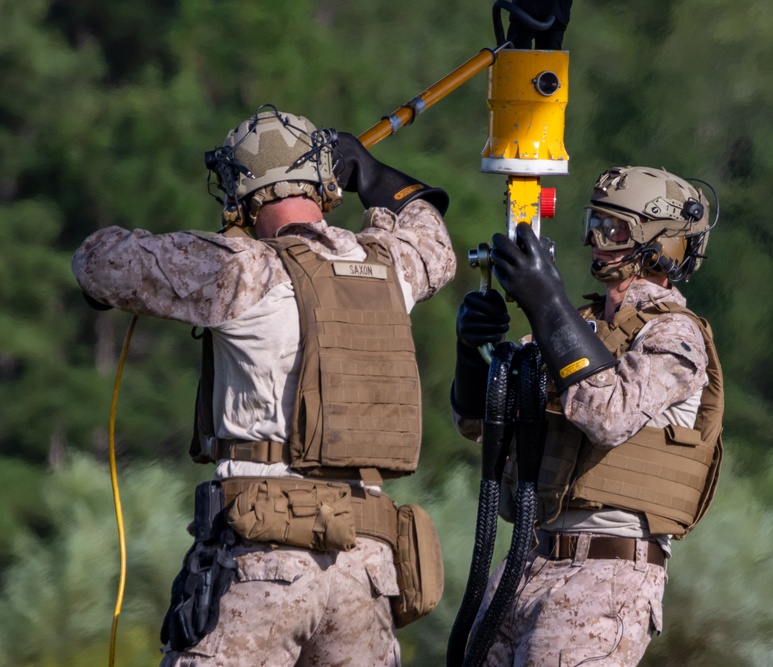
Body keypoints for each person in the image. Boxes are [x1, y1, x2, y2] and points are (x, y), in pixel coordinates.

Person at [72, 106, 456, 666]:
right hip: (367, 568)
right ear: (325, 185)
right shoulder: (390, 266)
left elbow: (98, 263)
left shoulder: (244, 267)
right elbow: (430, 234)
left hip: (267, 559)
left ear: (242, 194)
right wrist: (370, 172)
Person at [451, 166, 725, 666]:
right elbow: (477, 422)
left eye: (615, 229)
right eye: (594, 224)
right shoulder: (578, 327)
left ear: (661, 244)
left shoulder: (674, 335)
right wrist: (472, 350)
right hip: (528, 558)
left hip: (605, 573)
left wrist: (549, 304)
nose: (597, 241)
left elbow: (608, 416)